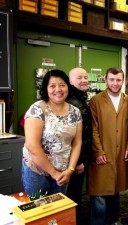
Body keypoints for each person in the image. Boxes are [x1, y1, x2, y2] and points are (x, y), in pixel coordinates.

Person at [21, 69, 82, 197]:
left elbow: (77, 142)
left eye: (62, 85)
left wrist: (70, 169)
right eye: (52, 86)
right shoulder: (37, 109)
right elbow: (32, 146)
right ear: (46, 88)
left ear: (68, 87)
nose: (58, 89)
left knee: (58, 211)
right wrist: (54, 173)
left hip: (63, 172)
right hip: (37, 172)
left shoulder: (75, 112)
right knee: (39, 210)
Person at [88, 67, 128, 225]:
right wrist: (98, 151)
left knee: (115, 190)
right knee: (99, 193)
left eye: (118, 80)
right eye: (112, 80)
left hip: (120, 152)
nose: (115, 83)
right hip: (102, 152)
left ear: (122, 81)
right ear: (106, 80)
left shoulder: (127, 100)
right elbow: (93, 129)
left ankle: (114, 221)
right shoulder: (96, 100)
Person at [66, 67, 92, 220]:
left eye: (85, 77)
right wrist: (79, 161)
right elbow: (74, 136)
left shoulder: (80, 97)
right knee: (73, 195)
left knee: (75, 195)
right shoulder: (72, 101)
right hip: (75, 160)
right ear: (70, 81)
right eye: (79, 78)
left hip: (78, 158)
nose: (84, 80)